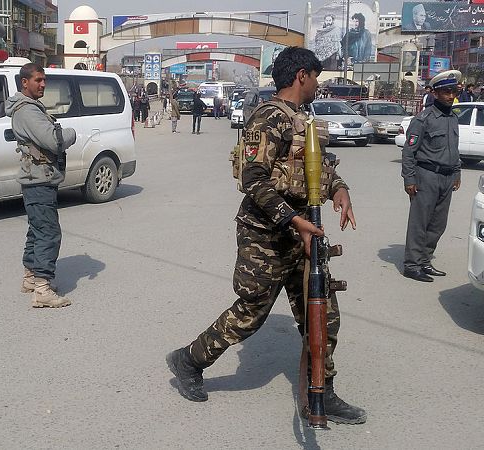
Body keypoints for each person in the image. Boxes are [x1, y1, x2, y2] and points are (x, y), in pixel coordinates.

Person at [165, 47, 366, 425]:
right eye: (316, 77)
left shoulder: (302, 119)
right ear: (302, 75)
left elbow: (317, 169)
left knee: (322, 314)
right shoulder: (267, 118)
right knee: (251, 313)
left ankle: (322, 392)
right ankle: (189, 360)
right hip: (265, 235)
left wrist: (339, 189)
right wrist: (293, 220)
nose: (317, 85)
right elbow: (252, 179)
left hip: (303, 232)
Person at [5, 63, 77, 308]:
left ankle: (31, 278)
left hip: (37, 177)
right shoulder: (28, 111)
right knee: (48, 232)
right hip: (39, 179)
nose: (43, 84)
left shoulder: (28, 107)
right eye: (38, 80)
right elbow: (54, 141)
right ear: (24, 82)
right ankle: (42, 289)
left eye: (44, 80)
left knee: (37, 229)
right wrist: (71, 133)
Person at [401, 70, 463, 282]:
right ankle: (412, 265)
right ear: (435, 93)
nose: (450, 96)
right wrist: (409, 179)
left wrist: (457, 172)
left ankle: (425, 261)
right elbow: (409, 151)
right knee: (420, 223)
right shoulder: (423, 119)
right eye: (446, 92)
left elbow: (454, 149)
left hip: (447, 177)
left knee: (438, 224)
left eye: (453, 92)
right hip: (426, 176)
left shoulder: (452, 118)